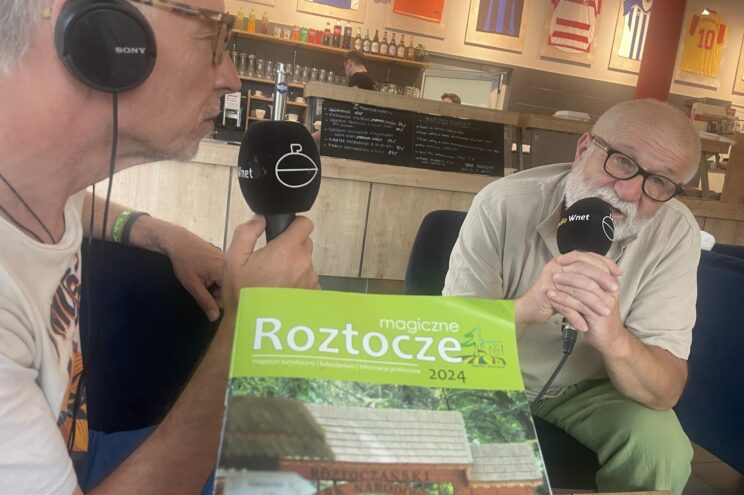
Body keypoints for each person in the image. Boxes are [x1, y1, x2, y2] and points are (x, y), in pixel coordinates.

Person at [0, 1, 318, 494]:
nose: (231, 78)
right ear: (97, 26)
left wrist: (153, 232)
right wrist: (249, 333)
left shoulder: (31, 184)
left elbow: (73, 203)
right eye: (213, 37)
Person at [444, 99, 701, 495]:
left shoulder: (675, 232)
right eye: (621, 161)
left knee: (661, 449)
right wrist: (526, 309)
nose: (629, 191)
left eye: (660, 182)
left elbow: (665, 390)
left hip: (588, 387)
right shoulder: (502, 203)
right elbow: (450, 342)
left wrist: (614, 338)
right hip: (491, 374)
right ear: (583, 149)